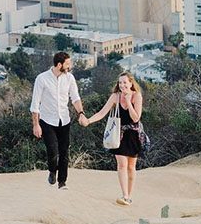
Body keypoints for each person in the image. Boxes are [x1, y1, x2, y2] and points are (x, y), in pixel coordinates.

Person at [82, 71, 144, 206]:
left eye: (125, 82)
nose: (122, 85)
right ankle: (125, 196)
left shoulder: (137, 96)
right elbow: (102, 112)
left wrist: (128, 101)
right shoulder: (115, 96)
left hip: (133, 134)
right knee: (122, 164)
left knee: (131, 167)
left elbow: (136, 118)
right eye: (120, 83)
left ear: (131, 83)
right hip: (118, 135)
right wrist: (88, 121)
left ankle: (129, 195)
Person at [30, 51, 87, 190]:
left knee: (64, 152)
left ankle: (62, 182)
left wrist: (81, 113)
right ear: (59, 64)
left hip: (64, 120)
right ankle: (52, 171)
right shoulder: (42, 79)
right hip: (47, 120)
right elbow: (35, 104)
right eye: (68, 64)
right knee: (52, 151)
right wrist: (36, 125)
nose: (70, 67)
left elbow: (75, 98)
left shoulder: (70, 78)